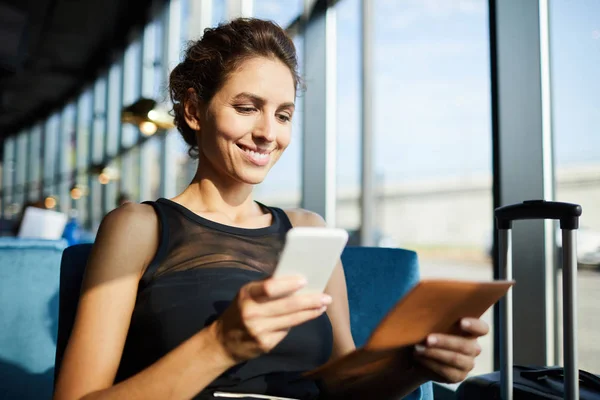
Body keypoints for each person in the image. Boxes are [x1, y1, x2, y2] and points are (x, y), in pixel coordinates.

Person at [53, 18, 488, 400]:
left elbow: (344, 385)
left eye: (283, 115)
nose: (267, 133)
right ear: (193, 110)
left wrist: (415, 367)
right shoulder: (138, 226)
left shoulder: (308, 230)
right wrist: (220, 344)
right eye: (247, 108)